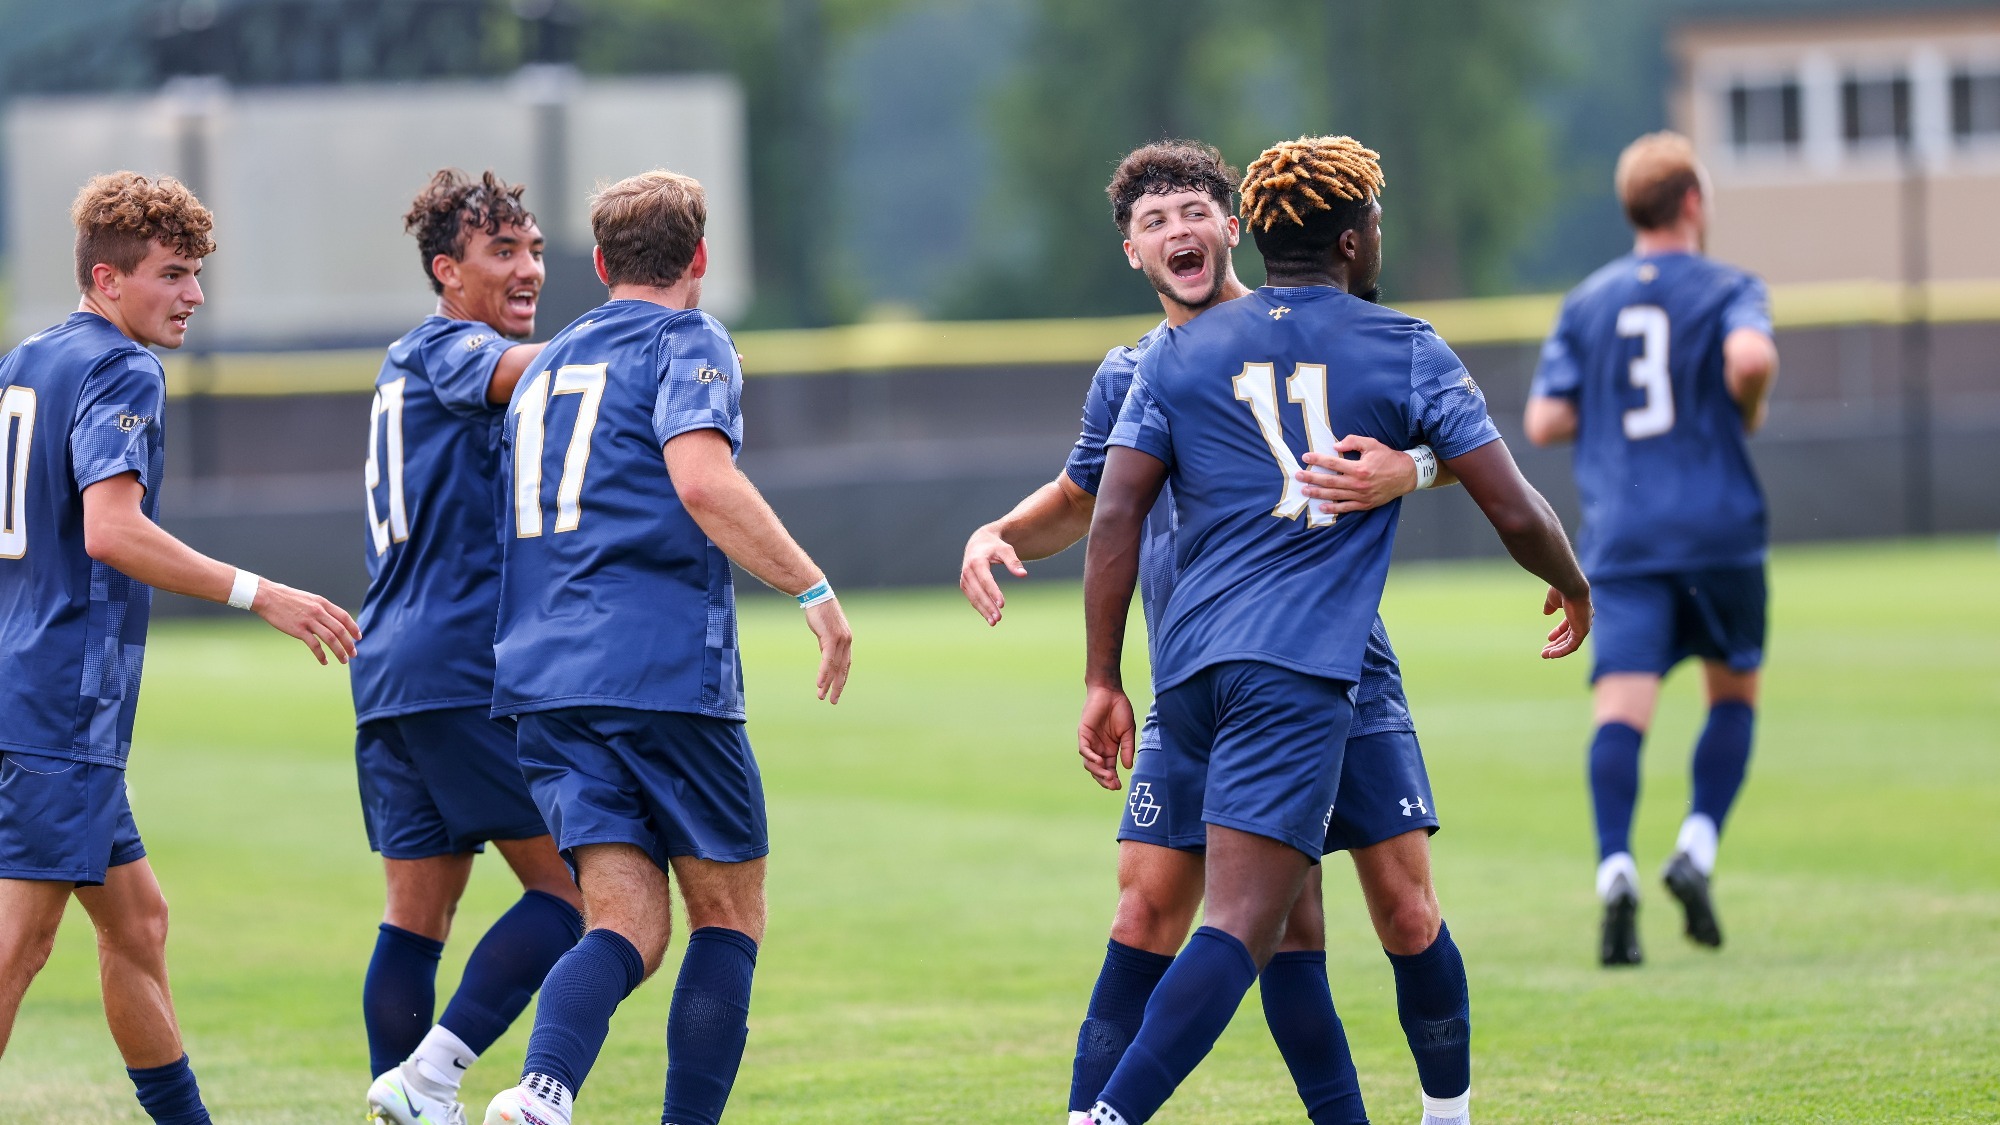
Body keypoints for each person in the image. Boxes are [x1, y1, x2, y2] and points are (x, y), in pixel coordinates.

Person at [1077, 136, 1592, 1125]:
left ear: (1248, 232)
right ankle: (1107, 1116)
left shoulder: (1178, 353)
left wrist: (1103, 674)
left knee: (1374, 910)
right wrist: (1574, 584)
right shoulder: (1402, 344)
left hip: (1229, 665)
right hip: (1290, 670)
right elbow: (1516, 508)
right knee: (1244, 923)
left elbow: (1114, 516)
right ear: (1354, 240)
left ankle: (1441, 1117)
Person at [958, 139, 1463, 1125]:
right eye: (1153, 222)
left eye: (1193, 211)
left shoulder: (1320, 330)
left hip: (1338, 664)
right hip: (1200, 675)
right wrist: (1000, 531)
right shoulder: (1131, 370)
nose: (1177, 232)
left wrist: (1413, 468)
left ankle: (1450, 1112)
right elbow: (1085, 500)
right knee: (1167, 909)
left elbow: (1449, 438)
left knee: (1403, 909)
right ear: (1131, 252)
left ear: (1234, 227)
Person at [480, 169, 853, 1125]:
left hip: (544, 682)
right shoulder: (690, 337)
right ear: (700, 257)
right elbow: (702, 480)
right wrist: (811, 587)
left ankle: (542, 1089)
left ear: (601, 264)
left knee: (627, 926)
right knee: (727, 916)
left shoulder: (543, 366)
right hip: (658, 672)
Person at [0, 172, 360, 1123]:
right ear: (107, 279)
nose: (194, 293)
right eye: (172, 273)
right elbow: (112, 530)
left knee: (139, 924)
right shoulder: (123, 368)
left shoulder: (27, 358)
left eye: (197, 272)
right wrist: (261, 592)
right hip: (61, 700)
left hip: (23, 683)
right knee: (18, 946)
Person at [355, 170, 585, 1125]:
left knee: (417, 917)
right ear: (447, 271)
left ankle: (403, 1099)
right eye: (503, 251)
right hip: (459, 666)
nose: (529, 268)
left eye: (534, 249)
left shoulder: (406, 358)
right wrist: (633, 333)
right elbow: (528, 374)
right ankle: (430, 1076)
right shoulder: (453, 346)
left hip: (393, 669)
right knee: (579, 892)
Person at [1523, 131, 1779, 967]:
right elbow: (1751, 356)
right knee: (1732, 695)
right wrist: (1744, 403)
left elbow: (1544, 420)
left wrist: (1612, 401)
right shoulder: (1730, 286)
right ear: (1693, 202)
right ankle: (1696, 846)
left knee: (1620, 713)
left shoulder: (1588, 301)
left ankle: (1615, 869)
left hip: (1625, 538)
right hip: (1720, 532)